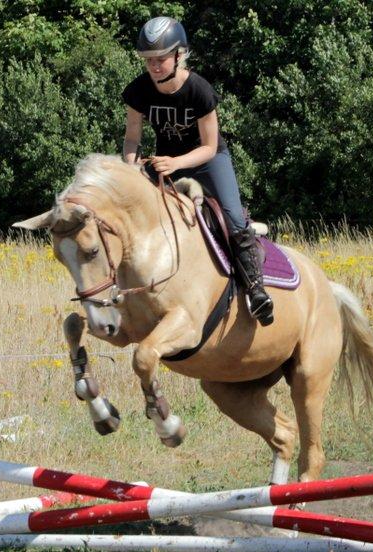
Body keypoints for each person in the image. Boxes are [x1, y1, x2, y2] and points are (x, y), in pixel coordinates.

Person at [121, 16, 274, 327]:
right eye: (148, 60)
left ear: (180, 54)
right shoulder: (137, 91)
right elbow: (132, 139)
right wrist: (131, 165)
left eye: (160, 58)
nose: (153, 66)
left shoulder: (200, 90)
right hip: (165, 161)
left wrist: (176, 163)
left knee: (231, 216)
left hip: (208, 160)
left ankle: (256, 290)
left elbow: (208, 146)